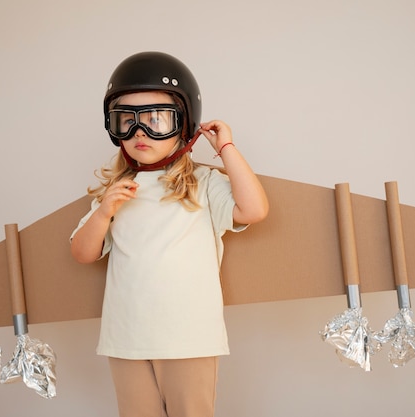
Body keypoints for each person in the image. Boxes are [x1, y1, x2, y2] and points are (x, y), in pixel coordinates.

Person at [70, 51, 268, 417]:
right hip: (126, 340)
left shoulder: (202, 183)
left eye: (156, 120)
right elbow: (82, 253)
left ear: (185, 124)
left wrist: (225, 148)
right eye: (125, 120)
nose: (139, 132)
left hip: (188, 337)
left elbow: (254, 210)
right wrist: (103, 213)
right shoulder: (113, 193)